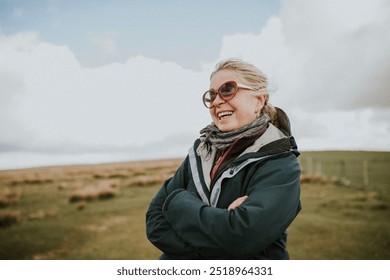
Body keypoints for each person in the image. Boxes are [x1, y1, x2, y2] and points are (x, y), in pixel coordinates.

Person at [146, 58, 301, 259]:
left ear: (259, 100)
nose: (217, 101)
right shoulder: (200, 152)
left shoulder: (280, 162)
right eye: (211, 95)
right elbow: (154, 222)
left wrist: (177, 202)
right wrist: (214, 245)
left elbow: (241, 236)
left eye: (228, 89)